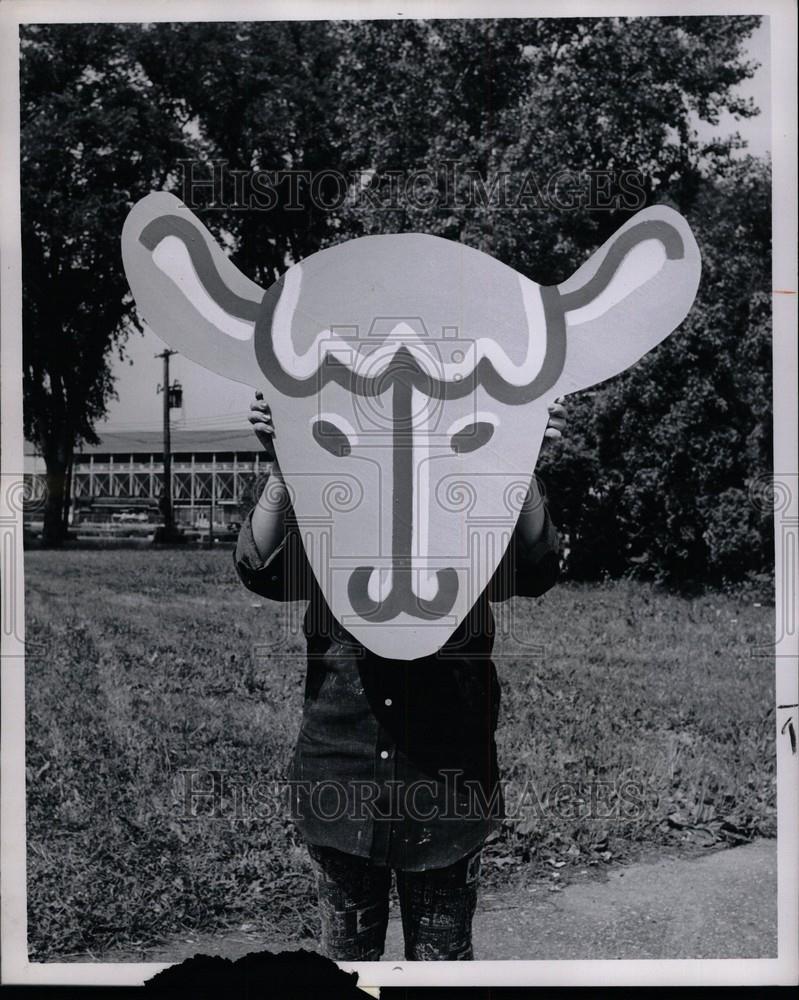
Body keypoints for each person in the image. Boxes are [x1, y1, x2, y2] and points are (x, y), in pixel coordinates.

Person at [234, 390, 566, 961]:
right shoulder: (331, 504)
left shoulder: (469, 502)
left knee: (442, 968)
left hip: (446, 787)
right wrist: (285, 462)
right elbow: (262, 569)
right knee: (346, 966)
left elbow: (535, 569)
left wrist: (523, 462)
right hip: (342, 776)